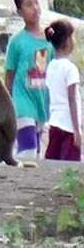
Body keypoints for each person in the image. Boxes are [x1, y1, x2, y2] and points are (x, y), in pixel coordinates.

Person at [4, 0, 55, 159]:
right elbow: (9, 74)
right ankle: (18, 182)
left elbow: (55, 68)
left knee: (36, 151)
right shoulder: (17, 42)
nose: (34, 8)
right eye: (28, 4)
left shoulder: (50, 38)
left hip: (41, 102)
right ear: (20, 12)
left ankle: (24, 180)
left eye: (36, 3)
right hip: (22, 102)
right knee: (29, 149)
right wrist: (8, 103)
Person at [44, 19, 81, 161]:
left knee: (53, 164)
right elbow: (72, 99)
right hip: (68, 126)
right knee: (70, 168)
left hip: (54, 123)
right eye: (72, 37)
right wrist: (77, 130)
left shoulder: (51, 66)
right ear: (67, 41)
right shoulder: (70, 68)